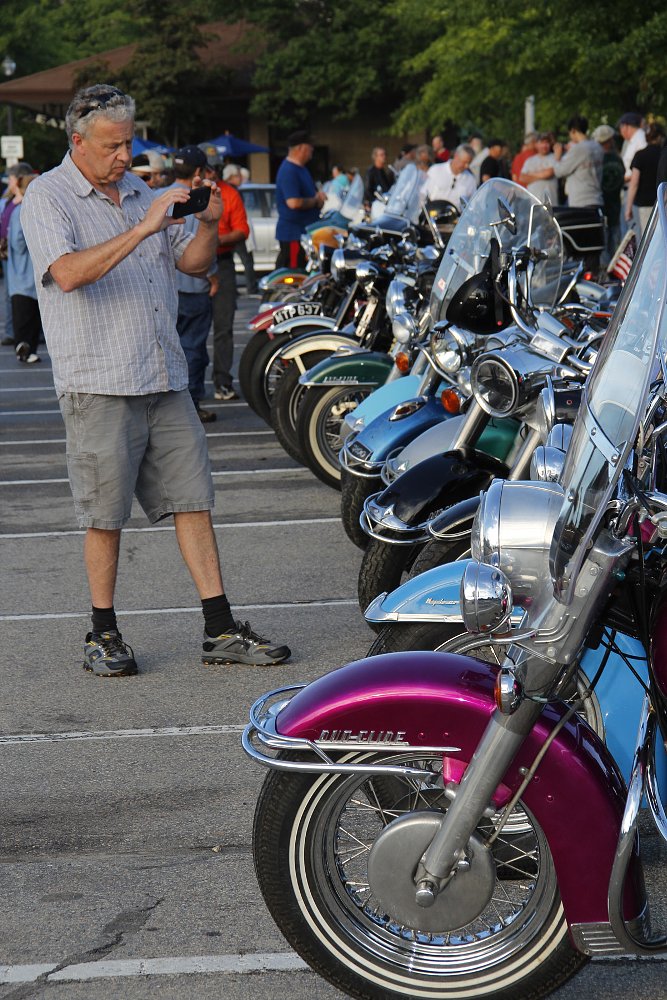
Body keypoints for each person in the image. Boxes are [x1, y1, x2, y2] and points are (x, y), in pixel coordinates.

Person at [21, 84, 291, 677]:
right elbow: (66, 274)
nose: (126, 156)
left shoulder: (140, 188)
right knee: (104, 513)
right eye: (114, 146)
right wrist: (143, 227)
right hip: (99, 380)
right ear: (78, 142)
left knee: (193, 501)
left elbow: (191, 263)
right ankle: (103, 633)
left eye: (129, 142)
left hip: (163, 374)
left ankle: (219, 628)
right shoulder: (48, 197)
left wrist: (206, 226)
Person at [165, 145, 218, 423]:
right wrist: (214, 276)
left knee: (168, 346)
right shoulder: (200, 199)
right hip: (194, 286)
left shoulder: (153, 197)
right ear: (199, 171)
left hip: (165, 289)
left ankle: (171, 403)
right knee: (194, 348)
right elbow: (205, 245)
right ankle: (191, 403)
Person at [211, 161, 251, 400]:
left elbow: (242, 230)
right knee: (186, 328)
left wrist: (217, 240)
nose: (212, 172)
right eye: (207, 167)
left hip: (221, 261)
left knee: (223, 327)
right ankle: (186, 388)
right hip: (188, 265)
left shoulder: (229, 193)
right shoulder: (187, 191)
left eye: (216, 167)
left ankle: (222, 381)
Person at [275, 130, 326, 270]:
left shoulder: (302, 169)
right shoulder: (289, 171)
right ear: (301, 148)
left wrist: (319, 199)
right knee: (294, 275)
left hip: (304, 234)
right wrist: (315, 200)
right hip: (294, 235)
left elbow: (311, 197)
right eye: (310, 147)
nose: (312, 151)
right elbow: (293, 202)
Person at [7, 169, 43, 364]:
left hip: (28, 271)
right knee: (25, 311)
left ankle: (28, 346)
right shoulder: (23, 210)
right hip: (24, 270)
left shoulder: (25, 208)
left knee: (32, 312)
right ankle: (24, 346)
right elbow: (18, 241)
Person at [0, 162, 33, 345]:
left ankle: (25, 333)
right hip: (8, 252)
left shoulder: (25, 201)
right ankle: (13, 331)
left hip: (19, 253)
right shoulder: (8, 200)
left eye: (11, 178)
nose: (9, 182)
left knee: (24, 293)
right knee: (10, 294)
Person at [222, 163, 258, 295]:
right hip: (234, 232)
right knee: (246, 261)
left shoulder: (228, 190)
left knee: (230, 261)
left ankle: (234, 290)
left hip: (230, 231)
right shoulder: (231, 191)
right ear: (231, 177)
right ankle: (251, 288)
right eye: (237, 176)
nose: (241, 178)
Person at [592, 124, 625, 261]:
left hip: (601, 206)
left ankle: (604, 274)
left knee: (603, 245)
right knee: (614, 246)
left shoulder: (595, 159)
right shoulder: (617, 158)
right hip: (614, 206)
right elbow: (621, 180)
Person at [624, 122, 665, 235]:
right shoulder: (664, 154)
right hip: (663, 202)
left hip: (644, 204)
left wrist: (628, 208)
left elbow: (634, 183)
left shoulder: (640, 155)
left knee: (647, 237)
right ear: (660, 136)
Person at [423, 143, 476, 209]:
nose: (467, 166)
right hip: (431, 215)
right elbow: (423, 194)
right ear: (456, 156)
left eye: (469, 163)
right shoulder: (435, 170)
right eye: (465, 162)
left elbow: (472, 205)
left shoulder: (471, 180)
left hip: (456, 217)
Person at [618, 111, 646, 234]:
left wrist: (625, 177)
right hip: (629, 186)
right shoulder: (632, 141)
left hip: (634, 187)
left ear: (626, 126)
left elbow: (640, 167)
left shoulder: (640, 139)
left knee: (634, 230)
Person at [519, 133, 559, 203]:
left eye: (546, 143)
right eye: (541, 143)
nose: (544, 145)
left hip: (551, 203)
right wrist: (542, 175)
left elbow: (549, 173)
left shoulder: (554, 157)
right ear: (536, 144)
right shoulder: (530, 160)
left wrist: (530, 174)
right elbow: (522, 177)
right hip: (534, 203)